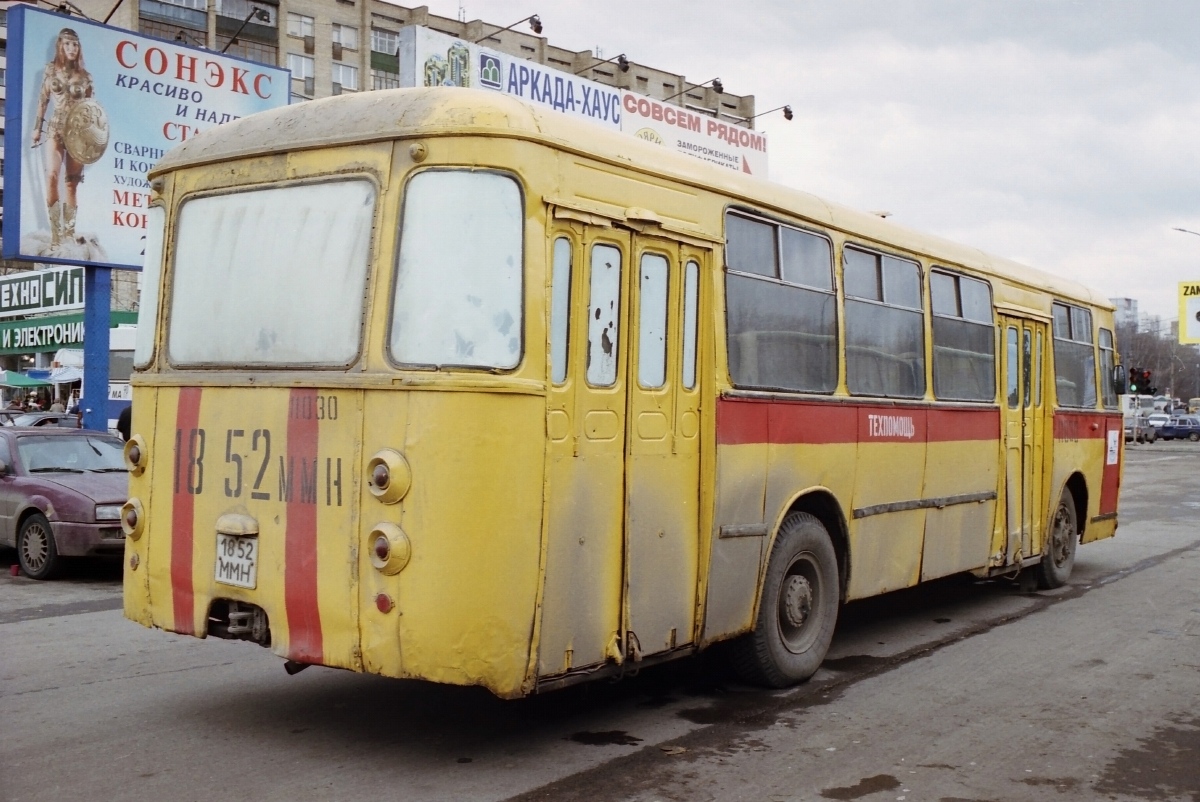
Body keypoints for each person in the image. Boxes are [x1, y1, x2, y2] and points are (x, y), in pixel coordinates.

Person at [31, 28, 94, 250]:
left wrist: (91, 138)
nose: (72, 49)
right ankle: (56, 233)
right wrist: (37, 128)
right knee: (51, 175)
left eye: (75, 45)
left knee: (71, 184)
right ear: (60, 46)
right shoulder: (50, 72)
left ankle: (69, 231)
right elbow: (42, 101)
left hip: (77, 133)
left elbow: (90, 110)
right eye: (68, 44)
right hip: (55, 130)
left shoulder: (85, 77)